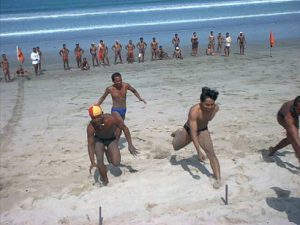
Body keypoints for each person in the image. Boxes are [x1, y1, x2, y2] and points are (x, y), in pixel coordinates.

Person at [171, 87, 221, 188]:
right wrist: (198, 150)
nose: (209, 107)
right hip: (189, 130)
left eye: (212, 104)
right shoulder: (194, 111)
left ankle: (218, 178)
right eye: (206, 104)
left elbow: (208, 119)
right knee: (175, 147)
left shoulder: (216, 108)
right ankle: (177, 133)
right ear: (201, 102)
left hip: (203, 130)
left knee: (211, 153)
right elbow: (193, 132)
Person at [87, 105, 138, 186]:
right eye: (93, 118)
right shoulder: (91, 127)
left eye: (98, 117)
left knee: (116, 163)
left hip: (111, 139)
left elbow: (125, 128)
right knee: (99, 160)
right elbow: (90, 144)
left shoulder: (112, 119)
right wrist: (92, 162)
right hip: (99, 140)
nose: (96, 120)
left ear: (102, 114)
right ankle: (105, 181)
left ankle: (107, 152)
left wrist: (130, 145)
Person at [95, 72, 146, 139]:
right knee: (123, 126)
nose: (119, 82)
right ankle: (130, 145)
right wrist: (97, 105)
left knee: (119, 128)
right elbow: (103, 97)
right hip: (115, 110)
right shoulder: (110, 89)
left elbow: (134, 91)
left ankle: (115, 142)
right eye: (117, 81)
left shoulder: (126, 85)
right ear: (113, 81)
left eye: (120, 80)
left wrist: (140, 98)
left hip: (124, 110)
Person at [269, 96, 300, 162]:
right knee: (292, 139)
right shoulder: (288, 117)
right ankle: (274, 149)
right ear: (295, 107)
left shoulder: (297, 108)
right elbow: (296, 140)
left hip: (295, 113)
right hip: (281, 117)